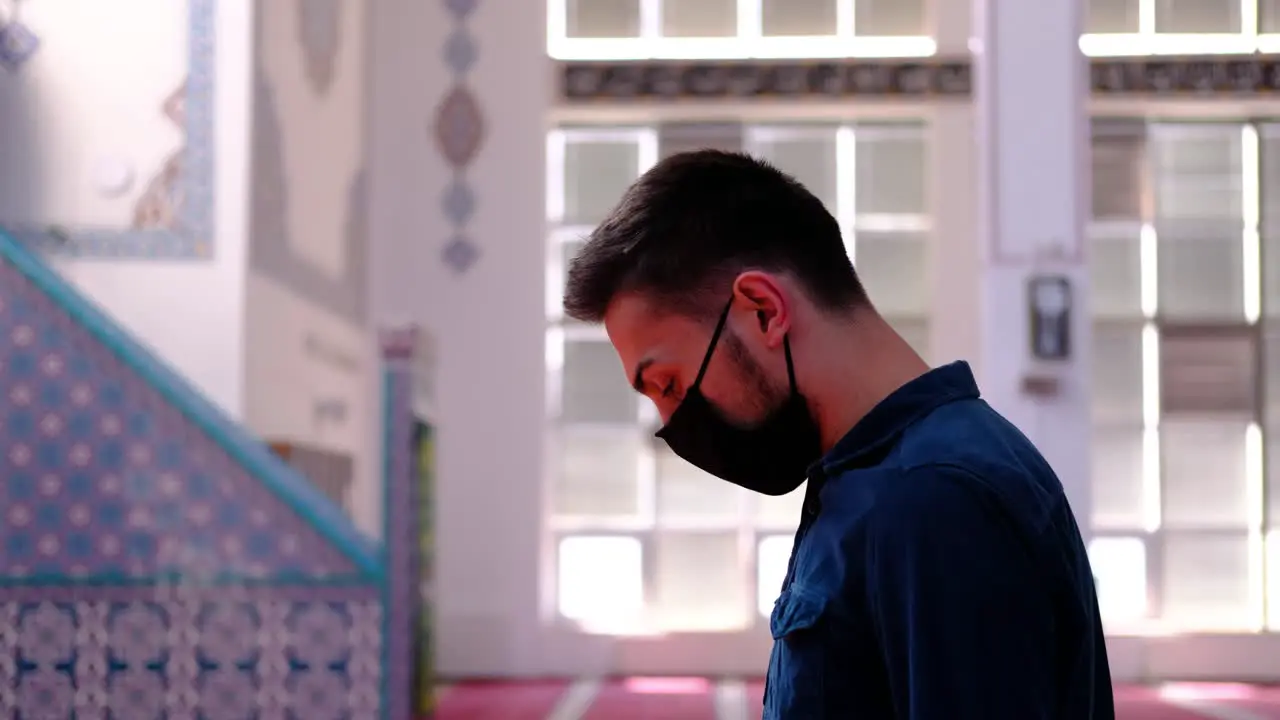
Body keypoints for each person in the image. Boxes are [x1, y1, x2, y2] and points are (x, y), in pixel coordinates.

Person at [561, 149, 1114, 719]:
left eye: (670, 384)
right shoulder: (872, 479)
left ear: (763, 311)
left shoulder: (933, 497)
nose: (676, 424)